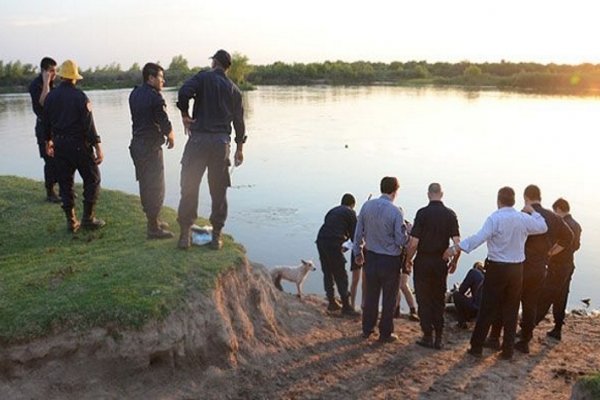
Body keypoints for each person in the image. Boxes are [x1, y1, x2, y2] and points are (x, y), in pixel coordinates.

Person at [444, 186, 547, 360]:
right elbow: (543, 227)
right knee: (512, 309)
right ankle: (508, 351)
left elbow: (478, 239)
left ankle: (477, 347)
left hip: (497, 268)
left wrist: (455, 248)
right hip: (516, 269)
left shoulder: (495, 218)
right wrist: (534, 211)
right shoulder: (522, 218)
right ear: (514, 201)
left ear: (498, 200)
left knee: (487, 307)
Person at [176, 49, 246, 250]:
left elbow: (183, 93)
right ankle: (216, 237)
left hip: (197, 141)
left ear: (214, 63)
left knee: (189, 186)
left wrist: (184, 114)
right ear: (227, 68)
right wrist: (239, 148)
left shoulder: (203, 77)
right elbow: (239, 123)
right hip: (220, 145)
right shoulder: (235, 90)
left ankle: (184, 236)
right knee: (218, 191)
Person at [43, 59, 105, 232]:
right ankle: (88, 218)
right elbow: (89, 125)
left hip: (60, 145)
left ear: (61, 76)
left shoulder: (51, 97)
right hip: (79, 145)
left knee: (65, 182)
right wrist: (98, 146)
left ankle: (71, 221)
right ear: (74, 78)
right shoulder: (80, 97)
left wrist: (48, 141)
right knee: (92, 178)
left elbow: (45, 122)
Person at [514, 184, 573, 354]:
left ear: (526, 198)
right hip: (541, 267)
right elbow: (569, 237)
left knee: (512, 300)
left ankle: (509, 338)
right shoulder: (553, 218)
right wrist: (551, 252)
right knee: (531, 303)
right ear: (540, 197)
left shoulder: (525, 214)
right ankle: (525, 340)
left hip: (522, 264)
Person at [353, 177, 409, 343]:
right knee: (389, 298)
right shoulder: (396, 211)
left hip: (370, 256)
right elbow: (400, 241)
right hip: (390, 260)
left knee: (371, 295)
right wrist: (408, 234)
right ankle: (385, 333)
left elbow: (358, 233)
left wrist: (358, 252)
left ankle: (367, 328)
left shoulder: (366, 206)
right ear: (395, 191)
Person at [404, 183, 460, 350]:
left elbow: (414, 243)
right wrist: (454, 261)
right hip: (440, 262)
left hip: (423, 261)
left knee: (423, 298)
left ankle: (427, 334)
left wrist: (408, 259)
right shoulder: (450, 215)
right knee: (438, 298)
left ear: (428, 194)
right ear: (441, 194)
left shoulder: (422, 213)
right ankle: (439, 337)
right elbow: (458, 243)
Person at [129, 63, 176, 239]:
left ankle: (153, 220)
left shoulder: (134, 94)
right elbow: (163, 120)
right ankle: (153, 228)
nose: (163, 80)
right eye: (160, 77)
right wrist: (171, 135)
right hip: (150, 147)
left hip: (137, 145)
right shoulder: (155, 97)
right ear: (151, 78)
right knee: (156, 187)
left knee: (145, 184)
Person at [535, 198, 582, 340]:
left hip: (557, 265)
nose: (555, 214)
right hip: (568, 265)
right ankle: (557, 328)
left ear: (559, 209)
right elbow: (577, 246)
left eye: (555, 211)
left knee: (545, 296)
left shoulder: (563, 225)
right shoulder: (577, 225)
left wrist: (547, 254)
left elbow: (556, 245)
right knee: (561, 297)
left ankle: (530, 325)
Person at [316, 193, 360, 316]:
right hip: (333, 242)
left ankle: (331, 302)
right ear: (352, 205)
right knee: (341, 274)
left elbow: (332, 226)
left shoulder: (333, 211)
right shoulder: (350, 213)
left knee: (328, 271)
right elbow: (354, 236)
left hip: (321, 240)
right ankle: (346, 306)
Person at [29, 56, 60, 203]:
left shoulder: (54, 85)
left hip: (55, 127)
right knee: (50, 160)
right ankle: (50, 192)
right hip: (43, 127)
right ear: (44, 71)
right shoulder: (35, 85)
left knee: (59, 158)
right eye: (52, 71)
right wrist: (46, 82)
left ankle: (61, 188)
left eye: (55, 71)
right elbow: (43, 102)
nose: (55, 74)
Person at [453, 261, 485, 329]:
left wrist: (457, 288)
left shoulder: (473, 272)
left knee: (456, 295)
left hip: (476, 309)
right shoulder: (487, 277)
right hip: (486, 312)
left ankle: (462, 322)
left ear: (475, 267)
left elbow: (461, 290)